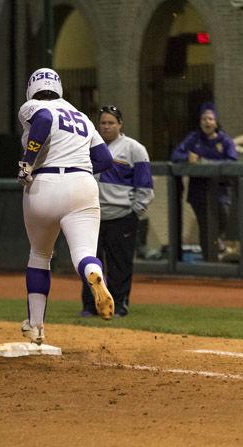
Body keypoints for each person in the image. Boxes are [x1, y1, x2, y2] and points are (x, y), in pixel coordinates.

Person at [16, 68, 115, 345]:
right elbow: (105, 160)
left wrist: (28, 161)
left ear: (32, 88)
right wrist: (78, 171)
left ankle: (36, 327)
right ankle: (93, 274)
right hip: (83, 183)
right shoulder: (81, 116)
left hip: (44, 183)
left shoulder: (33, 105)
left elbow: (44, 119)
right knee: (84, 253)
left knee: (39, 255)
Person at [80, 105, 154, 318]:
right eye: (103, 122)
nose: (106, 126)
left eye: (111, 122)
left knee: (119, 264)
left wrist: (135, 212)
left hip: (121, 216)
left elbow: (145, 186)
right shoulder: (89, 146)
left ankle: (120, 304)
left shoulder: (134, 149)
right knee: (90, 264)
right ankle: (90, 305)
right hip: (92, 215)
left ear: (120, 124)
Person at [170, 102, 238, 261]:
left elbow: (233, 163)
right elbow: (175, 155)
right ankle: (209, 262)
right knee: (206, 227)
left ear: (215, 122)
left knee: (223, 220)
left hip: (221, 192)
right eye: (203, 119)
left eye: (210, 119)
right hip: (199, 193)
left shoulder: (225, 141)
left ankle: (218, 249)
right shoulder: (194, 138)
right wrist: (187, 157)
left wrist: (204, 161)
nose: (207, 122)